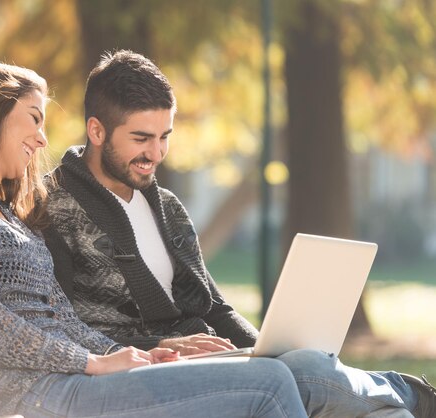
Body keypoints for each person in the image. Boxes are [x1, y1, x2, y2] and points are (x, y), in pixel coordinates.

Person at [0, 60, 314, 418]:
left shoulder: (13, 214)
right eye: (34, 118)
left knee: (283, 376)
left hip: (68, 383)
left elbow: (61, 319)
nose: (43, 138)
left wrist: (130, 356)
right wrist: (91, 362)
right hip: (26, 396)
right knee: (268, 385)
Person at [43, 49, 436, 417]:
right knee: (307, 376)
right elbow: (56, 325)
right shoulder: (50, 208)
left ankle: (405, 401)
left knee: (322, 373)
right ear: (96, 131)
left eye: (165, 137)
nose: (157, 154)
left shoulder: (166, 207)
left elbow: (214, 307)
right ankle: (415, 394)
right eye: (141, 138)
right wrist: (158, 346)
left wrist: (264, 349)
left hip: (206, 356)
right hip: (140, 373)